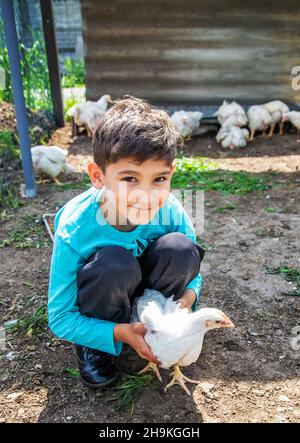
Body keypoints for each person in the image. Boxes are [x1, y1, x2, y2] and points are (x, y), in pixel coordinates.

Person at [48, 96, 205, 388]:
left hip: (149, 294)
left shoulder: (170, 210)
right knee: (112, 264)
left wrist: (186, 301)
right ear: (98, 176)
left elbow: (194, 276)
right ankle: (98, 343)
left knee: (180, 249)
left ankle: (156, 326)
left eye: (158, 179)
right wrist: (120, 332)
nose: (146, 195)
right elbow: (60, 318)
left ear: (170, 174)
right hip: (110, 284)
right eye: (130, 178)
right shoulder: (75, 229)